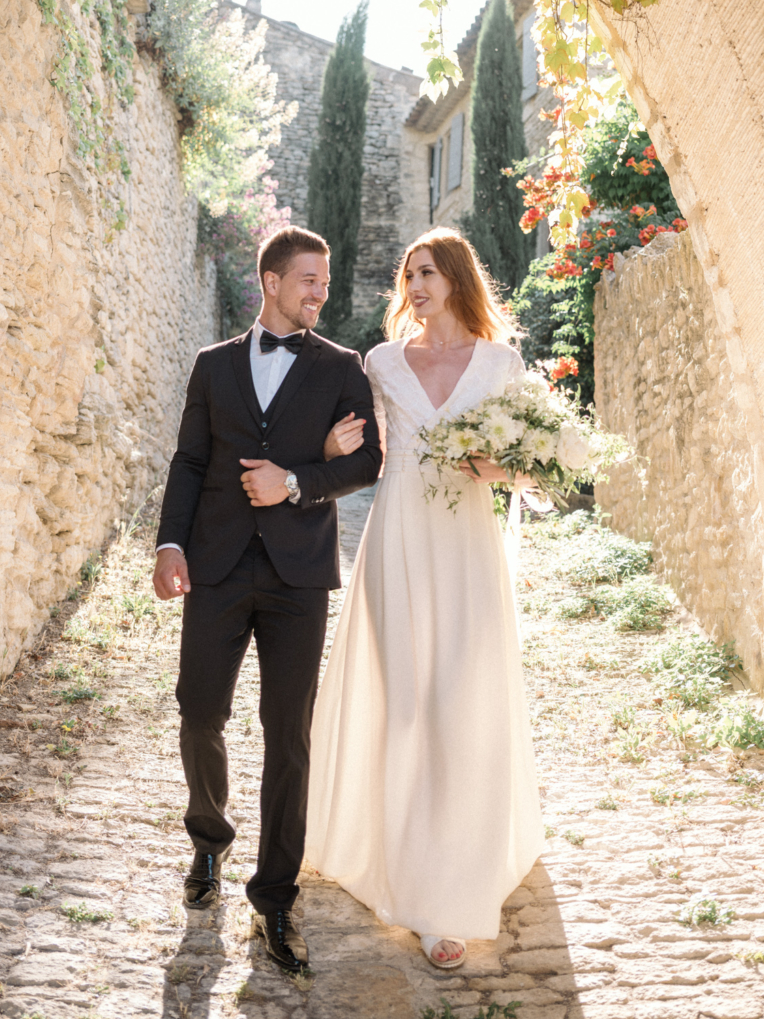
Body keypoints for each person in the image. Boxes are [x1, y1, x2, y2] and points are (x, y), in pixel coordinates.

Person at [305, 227, 546, 970]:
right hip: (400, 538)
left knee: (460, 703)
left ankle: (455, 888)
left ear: (457, 280)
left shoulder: (501, 363)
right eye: (410, 273)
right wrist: (325, 454)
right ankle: (413, 876)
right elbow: (356, 451)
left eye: (431, 272)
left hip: (467, 547)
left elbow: (527, 467)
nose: (416, 284)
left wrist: (498, 467)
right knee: (407, 704)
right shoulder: (379, 362)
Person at [152, 226, 382, 974]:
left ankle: (275, 894)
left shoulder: (343, 368)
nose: (320, 291)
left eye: (324, 280)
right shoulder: (212, 365)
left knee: (289, 735)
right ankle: (208, 841)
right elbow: (189, 460)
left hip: (297, 575)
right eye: (309, 279)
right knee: (198, 711)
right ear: (272, 282)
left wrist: (299, 481)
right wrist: (170, 544)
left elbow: (369, 460)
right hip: (214, 566)